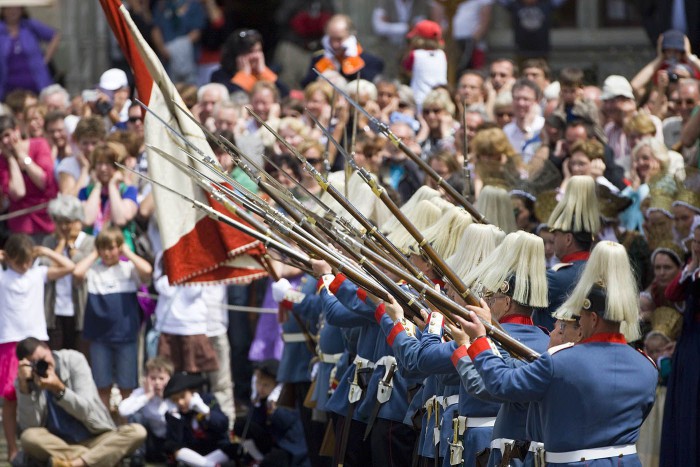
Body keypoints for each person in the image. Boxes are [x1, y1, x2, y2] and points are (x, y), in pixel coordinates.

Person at [451, 241, 657, 466]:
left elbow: (502, 383)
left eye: (581, 316)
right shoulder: (647, 366)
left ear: (593, 318)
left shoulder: (560, 361)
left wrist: (480, 340)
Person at [14, 337, 146, 467]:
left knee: (137, 432)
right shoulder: (25, 379)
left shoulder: (74, 360)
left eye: (43, 359)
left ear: (48, 349)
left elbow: (86, 410)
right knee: (28, 437)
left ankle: (73, 464)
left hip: (95, 437)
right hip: (58, 443)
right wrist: (26, 390)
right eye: (35, 363)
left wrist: (59, 389)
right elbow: (30, 426)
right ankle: (99, 459)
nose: (43, 365)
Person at [0, 234, 75, 463]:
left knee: (43, 390)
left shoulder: (37, 273)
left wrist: (45, 252)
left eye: (28, 261)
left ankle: (40, 449)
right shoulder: (3, 277)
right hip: (9, 342)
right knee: (10, 398)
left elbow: (70, 267)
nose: (24, 266)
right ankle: (13, 449)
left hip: (37, 342)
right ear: (9, 258)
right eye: (19, 262)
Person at [72, 227, 153, 412]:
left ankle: (126, 427)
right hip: (99, 337)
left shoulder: (128, 269)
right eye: (104, 248)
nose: (108, 253)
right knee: (102, 386)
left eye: (112, 248)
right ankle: (105, 428)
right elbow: (77, 274)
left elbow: (147, 270)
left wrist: (126, 252)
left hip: (126, 337)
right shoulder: (93, 270)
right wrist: (94, 253)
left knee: (127, 387)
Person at [534, 175, 600, 330]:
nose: (554, 238)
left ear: (568, 239)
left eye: (556, 234)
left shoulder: (556, 277)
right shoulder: (598, 271)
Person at [661, 223, 700, 467]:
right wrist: (692, 265)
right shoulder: (692, 270)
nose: (697, 246)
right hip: (690, 345)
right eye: (695, 241)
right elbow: (672, 293)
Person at [42, 195, 95, 356]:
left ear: (77, 220)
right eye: (59, 221)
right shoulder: (49, 242)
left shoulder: (89, 242)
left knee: (79, 357)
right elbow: (45, 267)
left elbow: (80, 268)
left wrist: (70, 246)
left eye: (68, 221)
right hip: (54, 311)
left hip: (80, 311)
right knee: (56, 357)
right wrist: (59, 246)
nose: (64, 226)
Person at [0, 114, 57, 243]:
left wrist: (22, 155)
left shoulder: (39, 145)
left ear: (17, 130)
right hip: (21, 227)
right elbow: (18, 193)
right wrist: (11, 160)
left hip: (45, 221)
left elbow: (43, 181)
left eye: (7, 135)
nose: (5, 141)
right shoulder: (2, 161)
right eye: (1, 138)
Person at [78, 141, 139, 251]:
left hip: (120, 251)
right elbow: (87, 220)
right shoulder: (85, 192)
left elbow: (120, 220)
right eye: (99, 163)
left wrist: (112, 185)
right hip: (92, 251)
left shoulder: (128, 190)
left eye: (108, 163)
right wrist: (97, 186)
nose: (103, 168)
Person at [163, 372, 232, 466]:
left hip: (216, 449)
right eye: (175, 399)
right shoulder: (173, 413)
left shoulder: (208, 400)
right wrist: (176, 418)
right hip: (193, 455)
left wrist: (206, 412)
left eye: (183, 397)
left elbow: (223, 425)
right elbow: (174, 443)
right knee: (177, 451)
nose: (180, 402)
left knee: (232, 449)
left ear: (192, 393)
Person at [118, 355, 175, 463]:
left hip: (168, 439)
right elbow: (123, 410)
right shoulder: (141, 393)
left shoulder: (174, 393)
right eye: (153, 378)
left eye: (161, 378)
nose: (157, 382)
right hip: (149, 440)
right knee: (136, 416)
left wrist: (165, 398)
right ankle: (138, 456)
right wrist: (147, 396)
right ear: (146, 378)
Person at [300, 14, 384, 87]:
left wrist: (351, 59)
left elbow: (369, 83)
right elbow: (306, 84)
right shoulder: (319, 58)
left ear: (351, 37)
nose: (334, 45)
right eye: (331, 39)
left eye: (339, 39)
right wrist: (328, 62)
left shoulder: (371, 61)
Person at [0, 6, 60, 100]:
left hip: (36, 84)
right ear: (3, 11)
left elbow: (54, 36)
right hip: (7, 87)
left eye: (16, 8)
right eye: (9, 8)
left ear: (22, 10)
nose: (12, 11)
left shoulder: (30, 25)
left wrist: (45, 60)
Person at [402, 20, 447, 110]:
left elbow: (405, 71)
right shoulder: (442, 54)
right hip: (441, 99)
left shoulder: (414, 54)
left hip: (420, 99)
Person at [503, 78, 544, 164]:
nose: (520, 103)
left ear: (536, 101)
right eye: (517, 98)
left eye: (526, 99)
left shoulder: (543, 127)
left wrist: (527, 128)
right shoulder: (507, 130)